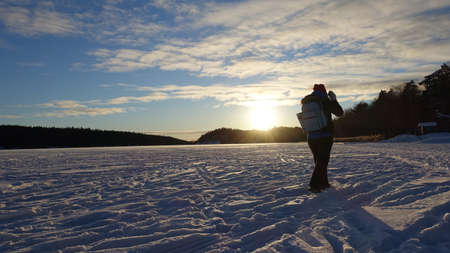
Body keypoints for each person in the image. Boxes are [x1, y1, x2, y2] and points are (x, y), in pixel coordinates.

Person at [301, 84, 343, 192]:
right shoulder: (324, 100)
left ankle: (324, 183)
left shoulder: (306, 102)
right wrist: (334, 100)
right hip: (325, 135)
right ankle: (314, 185)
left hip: (311, 137)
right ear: (324, 91)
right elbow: (339, 113)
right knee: (323, 161)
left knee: (319, 161)